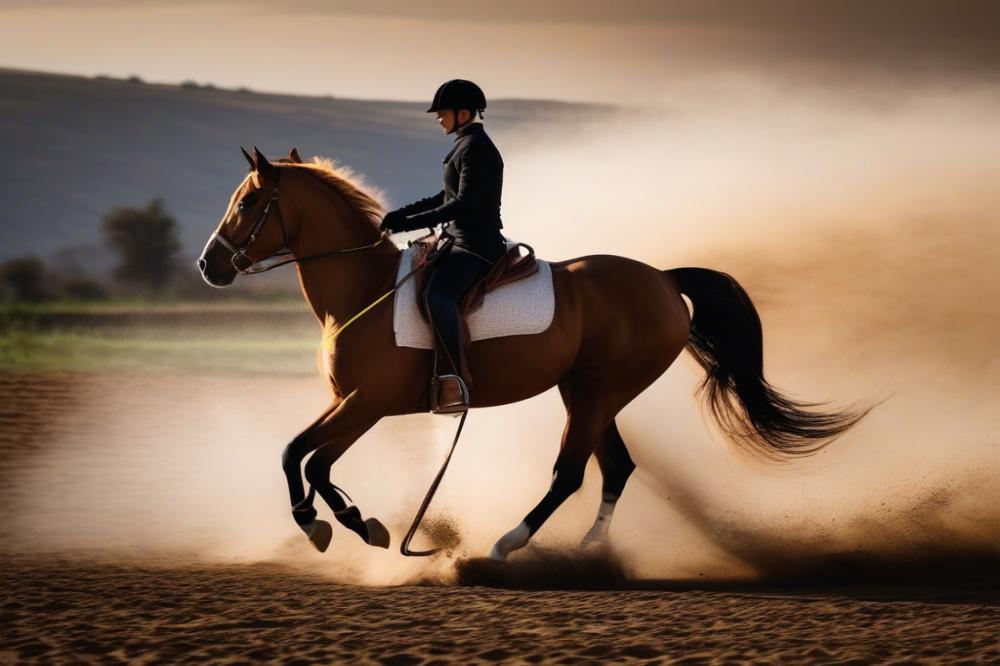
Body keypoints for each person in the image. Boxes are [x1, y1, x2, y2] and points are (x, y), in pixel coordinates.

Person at [380, 79, 506, 414]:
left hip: (477, 244)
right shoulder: (464, 145)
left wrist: (408, 223)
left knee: (438, 295)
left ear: (463, 113)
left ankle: (453, 378)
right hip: (458, 239)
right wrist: (401, 213)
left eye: (443, 113)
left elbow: (462, 204)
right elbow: (443, 197)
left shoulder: (477, 148)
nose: (438, 119)